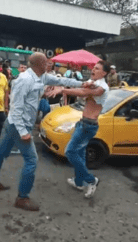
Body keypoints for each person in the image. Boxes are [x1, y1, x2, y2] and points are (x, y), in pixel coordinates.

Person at [0, 52, 90, 212]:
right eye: (46, 62)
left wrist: (83, 84)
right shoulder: (24, 80)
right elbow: (16, 107)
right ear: (40, 64)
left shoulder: (42, 77)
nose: (49, 64)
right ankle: (22, 197)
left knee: (1, 153)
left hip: (15, 124)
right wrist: (23, 132)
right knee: (32, 160)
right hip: (18, 125)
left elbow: (61, 80)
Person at [46, 60, 111, 198]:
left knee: (70, 152)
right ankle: (79, 182)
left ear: (104, 73)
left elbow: (82, 92)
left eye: (97, 68)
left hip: (88, 126)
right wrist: (83, 83)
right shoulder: (94, 83)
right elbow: (82, 86)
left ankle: (91, 180)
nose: (93, 69)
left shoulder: (102, 87)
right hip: (83, 123)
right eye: (93, 67)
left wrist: (62, 89)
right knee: (80, 154)